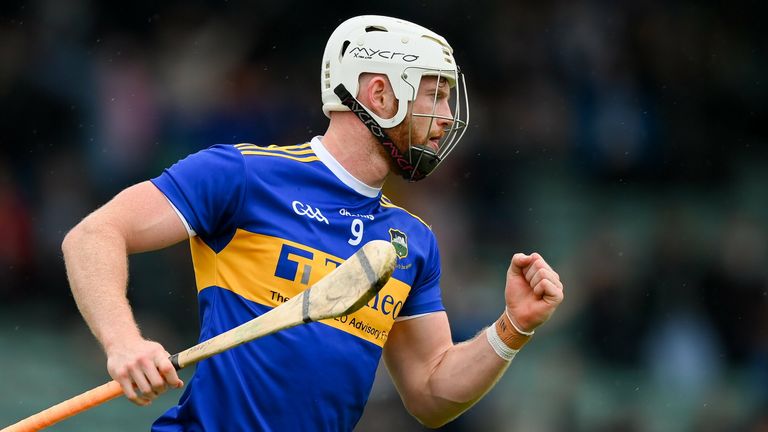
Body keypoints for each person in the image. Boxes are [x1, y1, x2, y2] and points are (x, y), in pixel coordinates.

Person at [62, 15, 564, 431]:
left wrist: (512, 327)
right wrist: (124, 343)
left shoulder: (413, 241)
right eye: (434, 94)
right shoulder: (244, 174)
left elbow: (431, 393)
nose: (447, 117)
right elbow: (93, 234)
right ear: (380, 95)